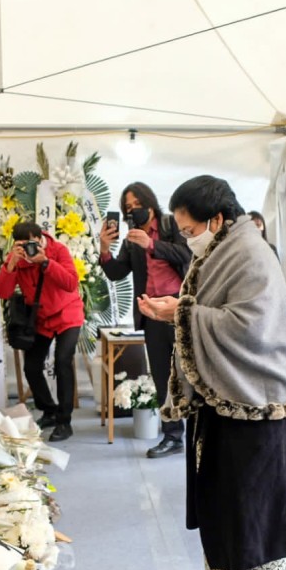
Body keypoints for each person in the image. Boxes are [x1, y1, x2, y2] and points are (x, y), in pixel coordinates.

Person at [137, 175, 286, 570]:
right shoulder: (226, 249)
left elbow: (249, 326)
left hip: (258, 405)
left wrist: (179, 311)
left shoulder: (248, 252)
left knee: (251, 509)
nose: (185, 237)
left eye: (188, 227)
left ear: (216, 219)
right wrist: (182, 310)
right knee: (228, 505)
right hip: (232, 402)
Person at [99, 181, 192, 457]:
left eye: (136, 205)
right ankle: (173, 436)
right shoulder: (132, 238)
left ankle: (203, 433)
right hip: (151, 313)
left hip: (180, 308)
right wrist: (104, 249)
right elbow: (117, 272)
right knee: (163, 375)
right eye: (127, 208)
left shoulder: (169, 224)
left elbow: (187, 254)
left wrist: (152, 244)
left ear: (150, 204)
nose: (132, 211)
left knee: (192, 372)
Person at [0, 222, 85, 442]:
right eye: (23, 245)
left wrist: (45, 262)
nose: (29, 249)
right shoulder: (17, 257)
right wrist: (12, 264)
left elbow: (71, 283)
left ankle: (64, 421)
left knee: (62, 360)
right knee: (32, 366)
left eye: (32, 243)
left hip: (67, 314)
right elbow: (1, 292)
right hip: (41, 319)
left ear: (40, 238)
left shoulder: (57, 250)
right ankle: (49, 410)